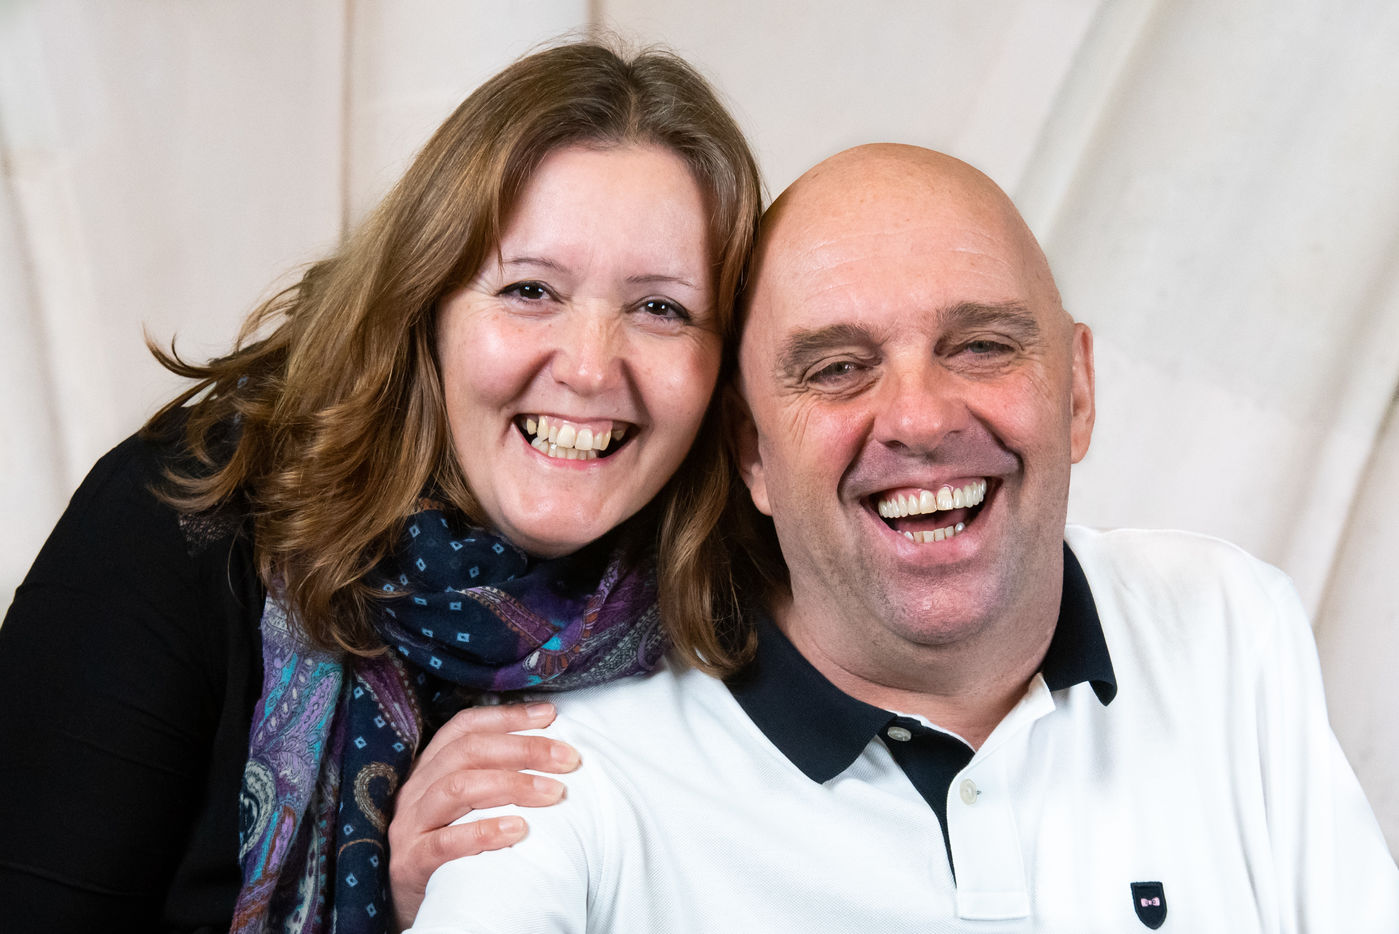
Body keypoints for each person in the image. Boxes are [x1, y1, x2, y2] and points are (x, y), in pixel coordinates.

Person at [406, 144, 1399, 932]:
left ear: (1077, 392)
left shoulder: (1226, 623)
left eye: (982, 346)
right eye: (837, 367)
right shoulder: (558, 777)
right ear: (751, 450)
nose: (919, 419)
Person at [0, 41, 761, 933]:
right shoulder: (179, 521)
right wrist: (397, 912)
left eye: (661, 308)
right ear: (424, 305)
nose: (591, 368)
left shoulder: (739, 604)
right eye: (529, 290)